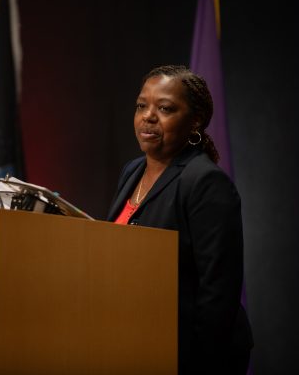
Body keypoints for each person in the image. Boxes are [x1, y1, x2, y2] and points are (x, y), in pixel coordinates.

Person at [107, 65, 253, 374]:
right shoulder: (131, 171)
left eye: (165, 108)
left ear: (195, 121)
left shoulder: (205, 182)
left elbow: (219, 292)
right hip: (135, 340)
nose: (148, 116)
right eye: (141, 106)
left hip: (192, 354)